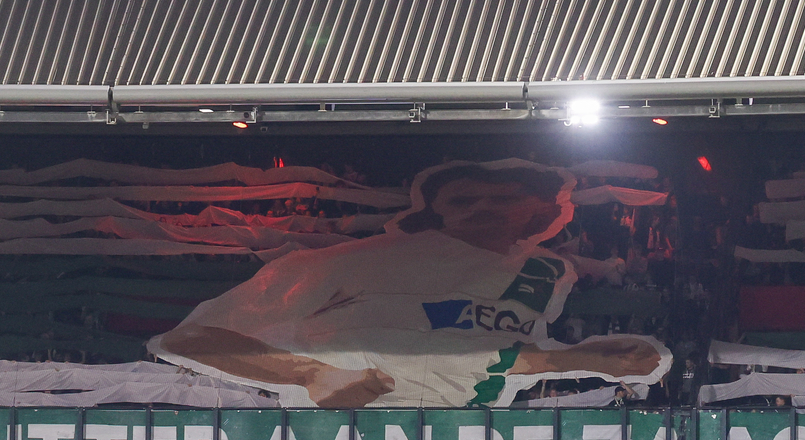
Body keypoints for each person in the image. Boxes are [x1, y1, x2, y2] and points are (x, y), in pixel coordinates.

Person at [152, 160, 668, 408]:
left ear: (538, 210)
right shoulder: (348, 263)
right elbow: (189, 338)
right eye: (464, 200)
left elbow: (475, 354)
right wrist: (308, 372)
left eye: (504, 199)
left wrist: (586, 359)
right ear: (435, 210)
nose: (484, 209)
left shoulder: (544, 273)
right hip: (334, 438)